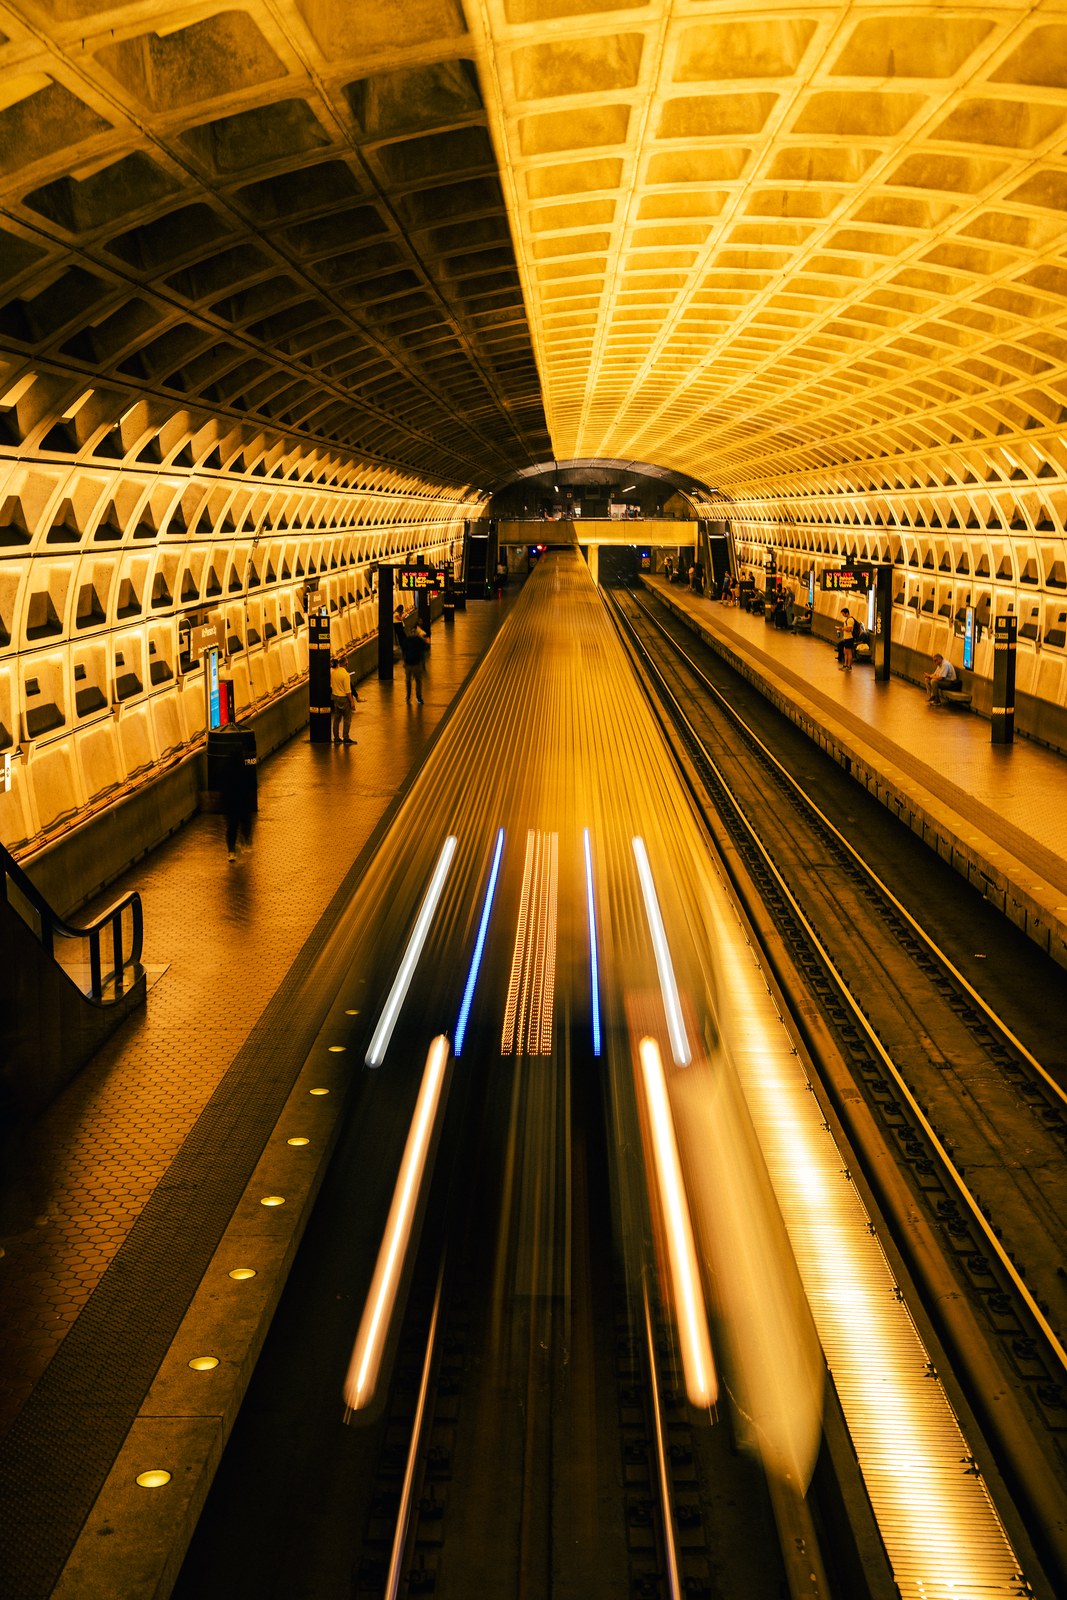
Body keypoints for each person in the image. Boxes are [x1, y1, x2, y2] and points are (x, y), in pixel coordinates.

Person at [217, 722, 256, 862]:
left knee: (231, 827)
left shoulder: (225, 768)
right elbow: (252, 784)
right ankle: (246, 842)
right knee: (245, 822)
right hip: (242, 801)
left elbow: (221, 786)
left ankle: (231, 851)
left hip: (229, 803)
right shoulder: (243, 769)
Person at [330, 655, 356, 744]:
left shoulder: (334, 673)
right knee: (347, 719)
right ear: (346, 664)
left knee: (336, 718)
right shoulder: (345, 675)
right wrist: (352, 702)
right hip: (344, 698)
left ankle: (336, 737)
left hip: (335, 697)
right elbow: (348, 691)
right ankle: (346, 737)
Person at [401, 623, 429, 704]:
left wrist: (404, 661)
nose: (413, 633)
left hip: (412, 664)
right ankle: (416, 697)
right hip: (414, 664)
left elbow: (403, 651)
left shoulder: (409, 640)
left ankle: (410, 697)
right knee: (416, 681)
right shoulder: (418, 640)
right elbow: (424, 649)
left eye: (414, 631)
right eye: (412, 632)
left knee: (410, 681)